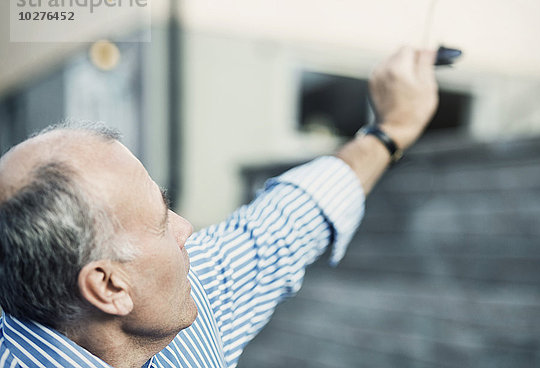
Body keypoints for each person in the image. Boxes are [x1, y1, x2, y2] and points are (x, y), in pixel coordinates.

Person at [0, 46, 438, 368]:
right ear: (110, 287)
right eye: (160, 220)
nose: (185, 228)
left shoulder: (175, 306)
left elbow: (281, 226)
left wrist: (390, 129)